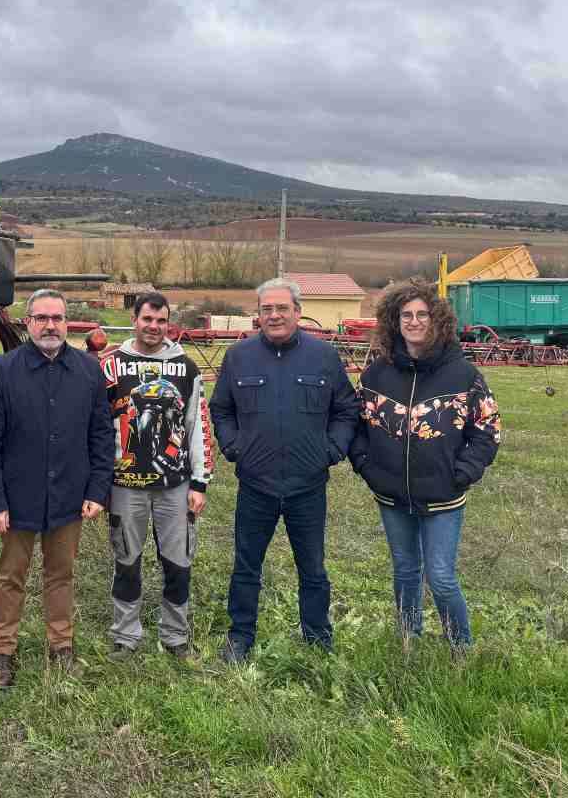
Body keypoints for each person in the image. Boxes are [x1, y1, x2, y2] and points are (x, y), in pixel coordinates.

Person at [209, 277, 359, 662]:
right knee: (246, 567)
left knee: (312, 569)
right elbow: (221, 409)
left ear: (297, 311)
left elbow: (345, 409)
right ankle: (240, 637)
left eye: (281, 308)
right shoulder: (238, 357)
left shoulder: (323, 356)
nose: (274, 315)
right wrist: (234, 446)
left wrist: (331, 450)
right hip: (255, 484)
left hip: (307, 486)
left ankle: (317, 639)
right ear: (258, 315)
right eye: (266, 309)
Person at [0, 288, 114, 687]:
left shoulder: (88, 371)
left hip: (70, 495)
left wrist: (97, 491)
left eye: (57, 318)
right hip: (17, 499)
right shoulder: (4, 370)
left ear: (66, 323)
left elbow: (101, 437)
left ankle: (61, 646)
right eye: (41, 318)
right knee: (11, 576)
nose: (50, 325)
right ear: (27, 322)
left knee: (61, 575)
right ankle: (3, 651)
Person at [348, 279, 501, 649]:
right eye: (406, 315)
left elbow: (488, 430)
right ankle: (408, 639)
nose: (414, 322)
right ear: (394, 321)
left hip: (443, 497)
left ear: (437, 321)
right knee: (405, 571)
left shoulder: (463, 375)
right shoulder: (378, 373)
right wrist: (367, 466)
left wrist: (461, 474)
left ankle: (461, 647)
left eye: (422, 315)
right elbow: (354, 424)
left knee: (442, 577)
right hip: (391, 495)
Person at [100, 292, 213, 661]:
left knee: (178, 561)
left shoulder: (186, 368)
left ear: (169, 323)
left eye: (161, 320)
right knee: (126, 559)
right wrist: (98, 480)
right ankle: (125, 636)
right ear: (135, 319)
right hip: (124, 483)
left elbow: (198, 426)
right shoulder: (111, 366)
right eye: (147, 319)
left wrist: (200, 480)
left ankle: (175, 636)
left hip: (174, 485)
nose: (154, 327)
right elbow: (96, 426)